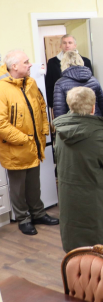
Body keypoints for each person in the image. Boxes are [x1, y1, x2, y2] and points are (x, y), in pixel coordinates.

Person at [54, 87, 103, 253]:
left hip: (71, 199)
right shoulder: (97, 134)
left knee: (78, 246)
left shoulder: (61, 130)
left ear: (70, 105)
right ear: (93, 107)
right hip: (98, 201)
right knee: (99, 246)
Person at [0, 50, 58, 236]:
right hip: (16, 148)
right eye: (26, 62)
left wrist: (44, 129)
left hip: (34, 145)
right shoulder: (2, 88)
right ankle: (23, 219)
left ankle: (38, 214)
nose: (30, 64)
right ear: (14, 66)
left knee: (34, 185)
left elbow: (41, 107)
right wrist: (24, 139)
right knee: (18, 189)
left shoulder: (31, 83)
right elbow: (1, 124)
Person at [45, 34, 93, 112]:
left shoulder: (86, 61)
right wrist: (53, 104)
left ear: (75, 45)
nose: (67, 45)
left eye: (70, 43)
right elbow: (49, 86)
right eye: (64, 43)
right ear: (60, 45)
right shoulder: (52, 62)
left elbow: (91, 84)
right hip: (62, 103)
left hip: (84, 104)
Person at [53, 51, 103, 119]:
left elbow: (59, 111)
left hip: (72, 122)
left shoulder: (60, 83)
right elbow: (102, 106)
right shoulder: (94, 80)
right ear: (80, 61)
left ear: (63, 63)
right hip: (94, 120)